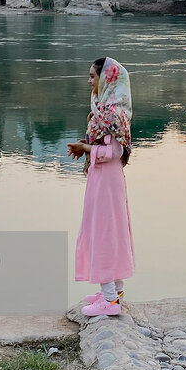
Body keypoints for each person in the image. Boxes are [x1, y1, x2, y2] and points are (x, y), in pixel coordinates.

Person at [67, 57, 135, 317]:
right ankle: (114, 292)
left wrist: (87, 148)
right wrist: (86, 149)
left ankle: (110, 301)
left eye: (93, 77)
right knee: (110, 230)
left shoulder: (111, 113)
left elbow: (115, 150)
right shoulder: (106, 107)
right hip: (105, 177)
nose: (89, 81)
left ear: (107, 79)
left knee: (104, 233)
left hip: (107, 180)